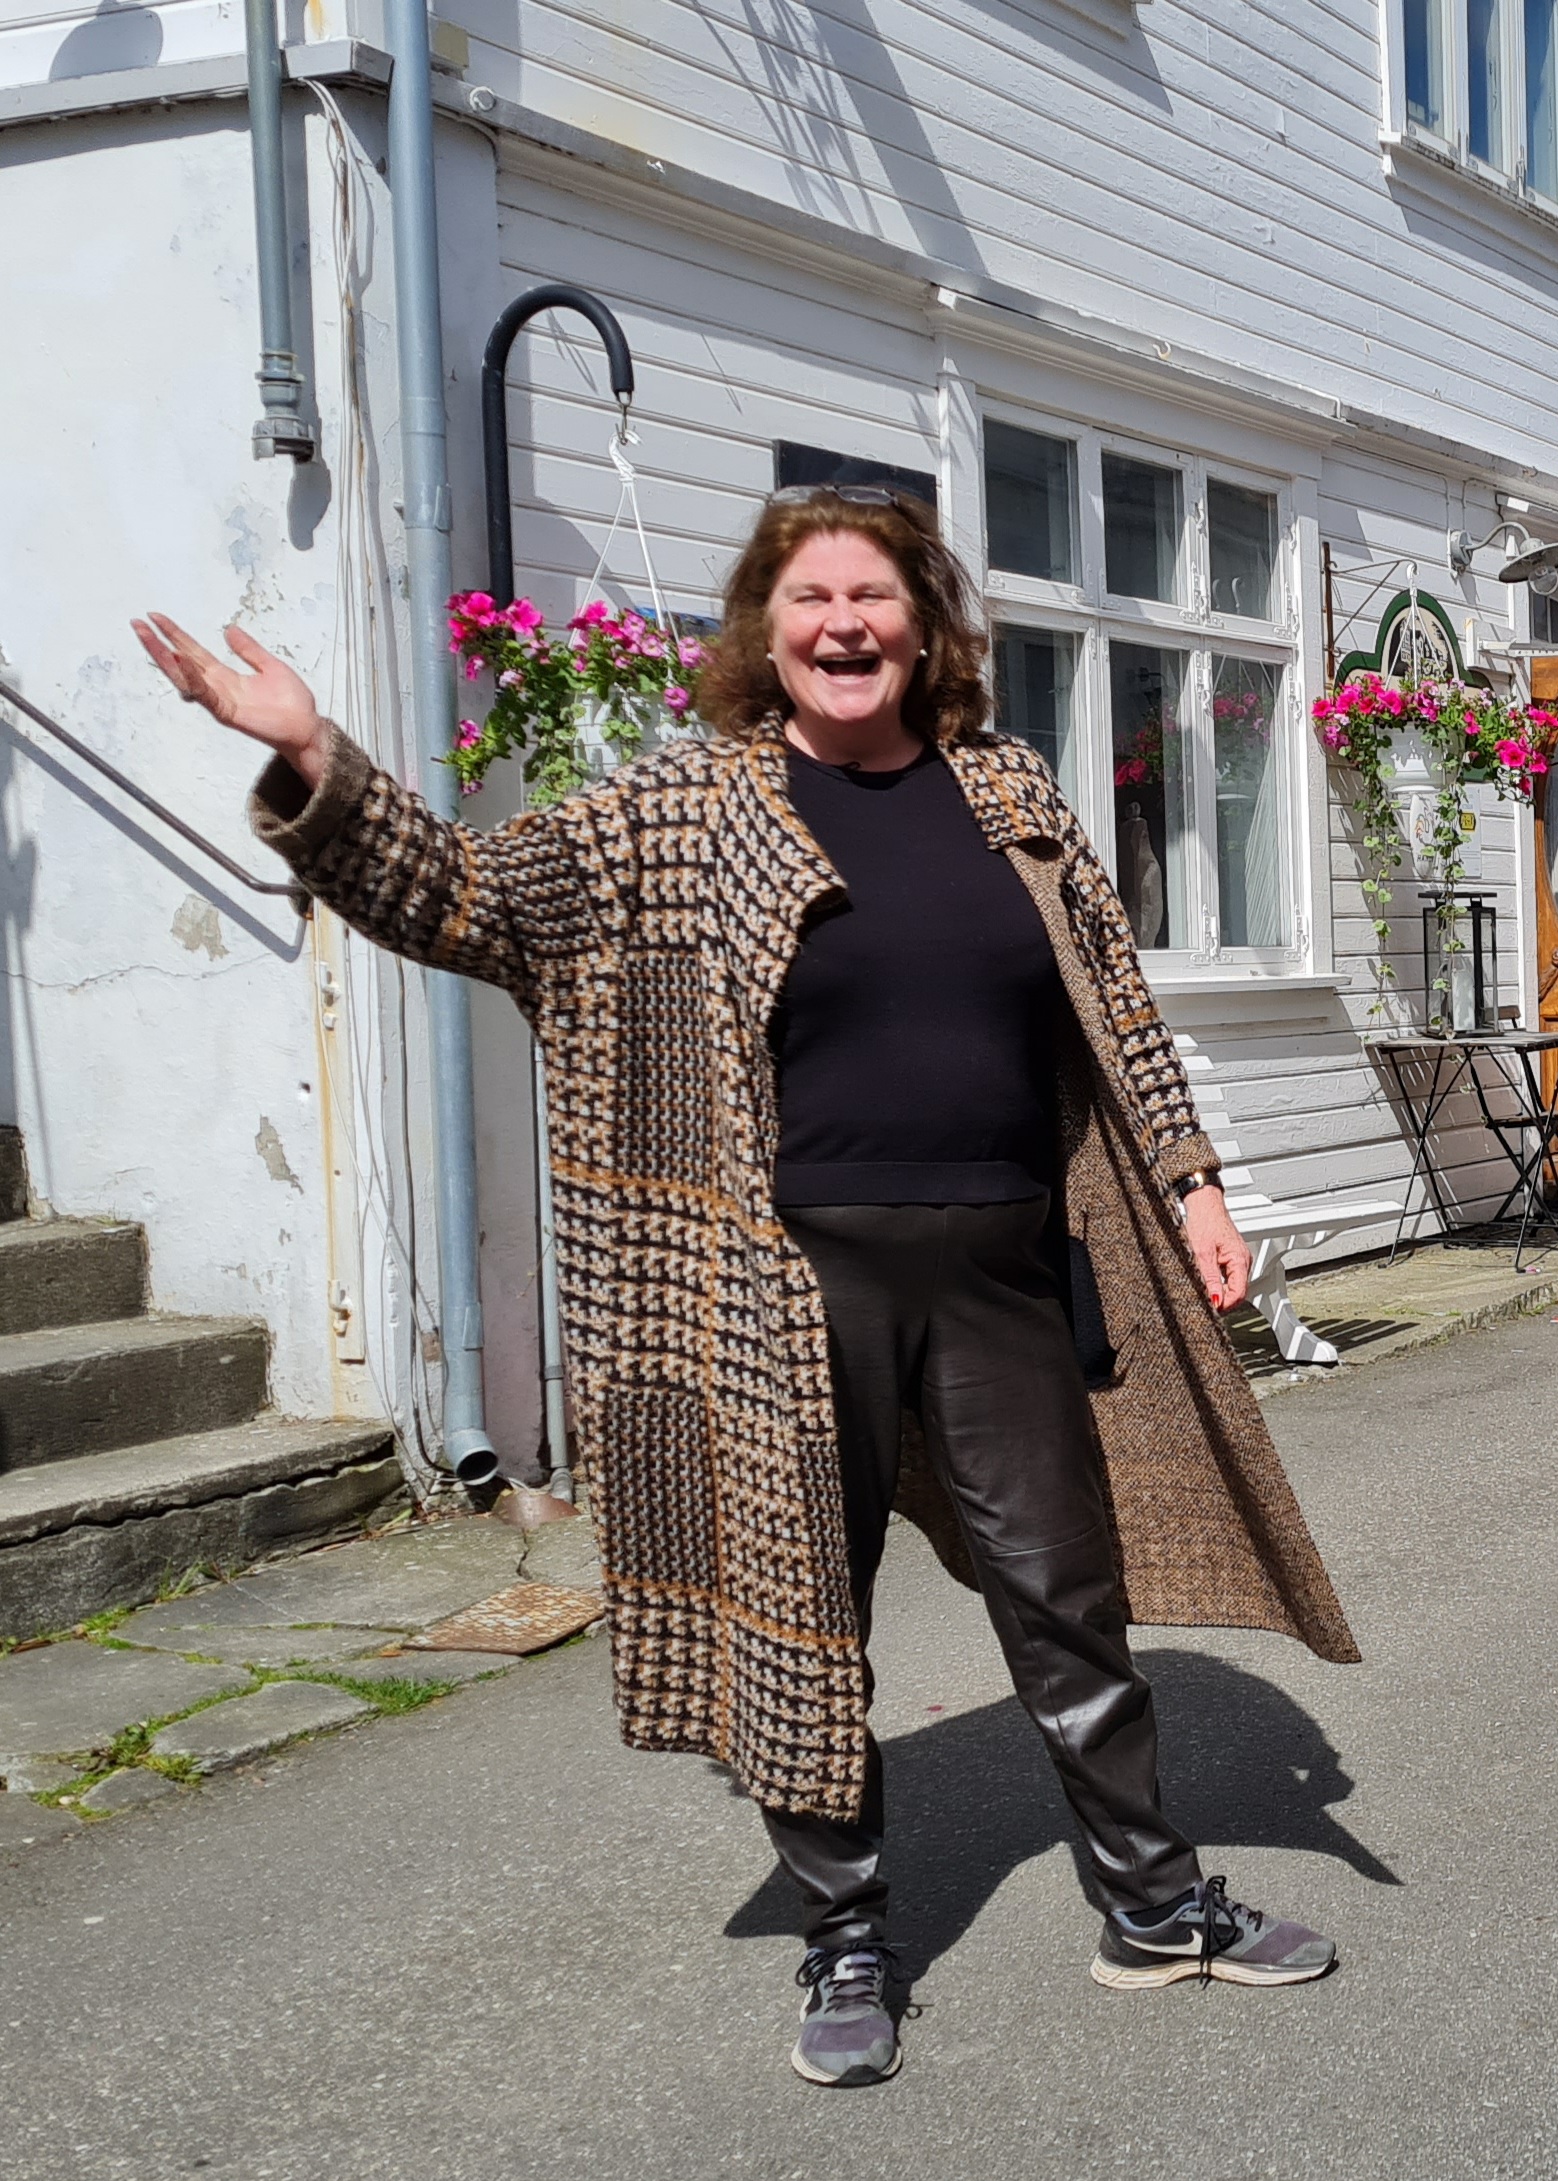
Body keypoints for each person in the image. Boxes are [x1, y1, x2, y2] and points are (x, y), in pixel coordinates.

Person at [134, 486, 1362, 2090]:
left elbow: (1109, 1004)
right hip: (778, 1286)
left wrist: (1194, 1178)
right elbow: (466, 898)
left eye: (873, 596)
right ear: (764, 634)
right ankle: (846, 1929)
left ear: (926, 626)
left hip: (1002, 1267)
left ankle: (1148, 1901)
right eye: (810, 600)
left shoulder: (1012, 793)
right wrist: (316, 759)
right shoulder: (685, 808)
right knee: (799, 1612)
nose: (843, 624)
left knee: (1070, 1598)